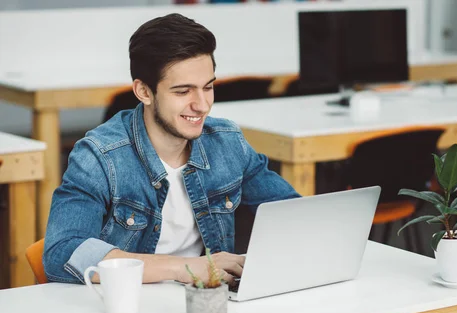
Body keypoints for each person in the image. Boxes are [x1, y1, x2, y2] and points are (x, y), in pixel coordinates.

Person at [43, 13, 300, 286]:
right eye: (183, 92)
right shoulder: (99, 157)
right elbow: (62, 254)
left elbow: (293, 215)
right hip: (127, 311)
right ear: (144, 92)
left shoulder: (227, 142)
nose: (201, 105)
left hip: (205, 305)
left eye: (208, 87)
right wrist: (184, 268)